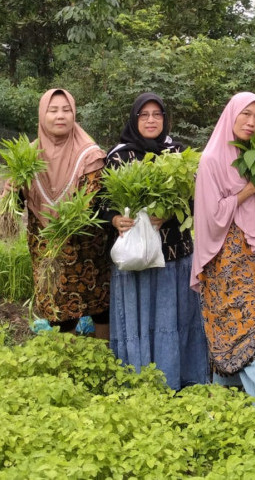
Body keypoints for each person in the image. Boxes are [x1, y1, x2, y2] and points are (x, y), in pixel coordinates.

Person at [105, 92, 209, 390]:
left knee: (175, 318)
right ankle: (138, 382)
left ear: (165, 119)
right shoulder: (119, 156)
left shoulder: (178, 153)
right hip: (136, 257)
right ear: (134, 119)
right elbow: (102, 202)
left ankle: (180, 380)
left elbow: (195, 198)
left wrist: (168, 215)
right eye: (144, 115)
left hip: (174, 254)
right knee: (141, 318)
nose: (151, 120)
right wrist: (116, 220)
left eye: (157, 115)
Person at [190, 92, 255, 401]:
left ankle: (223, 408)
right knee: (247, 329)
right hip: (225, 259)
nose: (252, 122)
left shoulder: (251, 157)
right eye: (246, 114)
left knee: (236, 331)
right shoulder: (212, 160)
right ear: (231, 115)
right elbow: (211, 215)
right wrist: (248, 191)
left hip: (249, 257)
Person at [8, 89, 111, 338]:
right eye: (53, 110)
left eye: (66, 110)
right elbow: (20, 205)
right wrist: (12, 191)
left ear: (74, 114)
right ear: (42, 115)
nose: (60, 116)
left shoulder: (90, 154)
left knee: (98, 303)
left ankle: (103, 359)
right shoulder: (28, 155)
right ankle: (64, 363)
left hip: (85, 246)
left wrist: (70, 221)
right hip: (46, 246)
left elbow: (94, 201)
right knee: (57, 306)